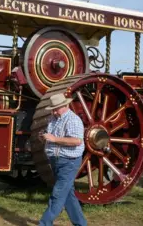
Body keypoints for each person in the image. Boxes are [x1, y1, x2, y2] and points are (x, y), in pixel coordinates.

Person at [39, 93, 87, 226]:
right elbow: (51, 136)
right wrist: (43, 137)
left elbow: (76, 140)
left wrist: (54, 139)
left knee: (58, 194)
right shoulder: (53, 118)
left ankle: (44, 223)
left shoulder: (73, 120)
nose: (54, 111)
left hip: (69, 162)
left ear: (65, 105)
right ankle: (81, 223)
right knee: (68, 194)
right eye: (53, 109)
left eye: (56, 108)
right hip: (56, 160)